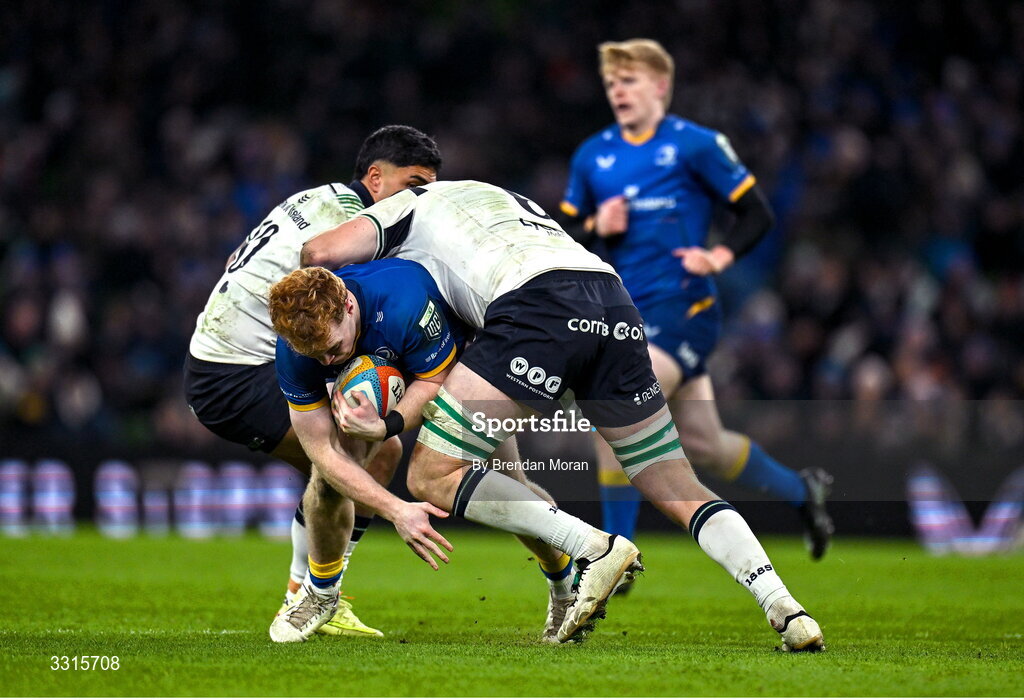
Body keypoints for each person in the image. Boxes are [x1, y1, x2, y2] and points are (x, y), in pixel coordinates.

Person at [297, 179, 825, 651]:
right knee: (674, 481)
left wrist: (307, 305)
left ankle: (594, 548)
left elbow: (317, 251)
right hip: (610, 297)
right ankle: (786, 608)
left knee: (431, 475)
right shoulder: (496, 194)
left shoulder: (402, 207)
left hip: (535, 308)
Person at [559, 39, 833, 561]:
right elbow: (563, 229)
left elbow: (756, 212)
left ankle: (616, 554)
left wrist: (721, 256)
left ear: (660, 86)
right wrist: (596, 224)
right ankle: (802, 491)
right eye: (612, 82)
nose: (619, 89)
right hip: (625, 313)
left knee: (613, 406)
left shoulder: (696, 144)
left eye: (630, 80)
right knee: (706, 443)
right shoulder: (593, 155)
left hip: (683, 308)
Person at [184, 125, 442, 637]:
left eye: (428, 188)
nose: (420, 200)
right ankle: (309, 597)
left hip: (232, 360)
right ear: (375, 177)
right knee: (342, 464)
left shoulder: (318, 200)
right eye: (413, 185)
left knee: (380, 445)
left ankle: (318, 591)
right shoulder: (350, 226)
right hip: (238, 374)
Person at [267, 261, 575, 643]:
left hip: (460, 371)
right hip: (386, 387)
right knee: (328, 481)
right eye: (316, 357)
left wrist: (387, 425)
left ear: (347, 306)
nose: (327, 362)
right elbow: (323, 452)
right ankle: (323, 593)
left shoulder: (403, 303)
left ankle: (566, 587)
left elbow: (435, 381)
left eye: (332, 349)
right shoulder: (298, 349)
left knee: (511, 489)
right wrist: (397, 510)